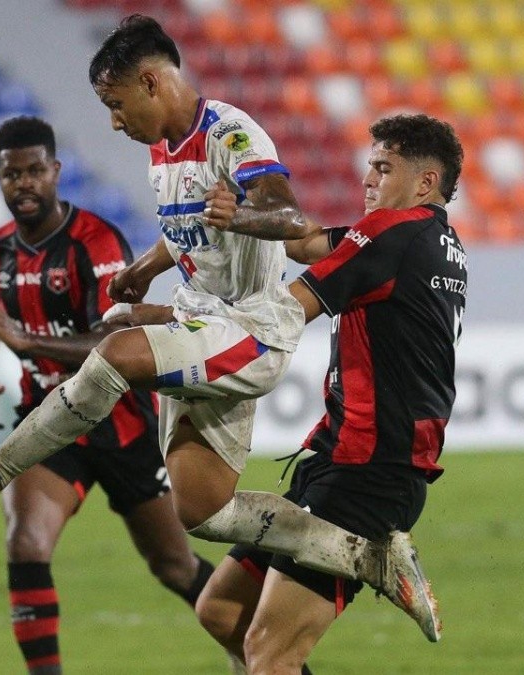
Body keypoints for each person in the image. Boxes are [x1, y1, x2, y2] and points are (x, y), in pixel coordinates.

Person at [0, 13, 439, 647]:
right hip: (200, 318)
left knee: (117, 351)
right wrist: (145, 268)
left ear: (152, 82)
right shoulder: (161, 151)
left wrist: (246, 213)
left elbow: (287, 212)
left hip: (251, 332)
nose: (115, 122)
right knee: (202, 511)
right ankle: (369, 559)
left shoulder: (230, 135)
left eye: (116, 105)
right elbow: (189, 231)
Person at [193, 113, 466, 673]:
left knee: (271, 654)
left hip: (369, 471)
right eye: (369, 165)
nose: (368, 179)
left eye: (383, 168)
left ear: (426, 183)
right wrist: (241, 217)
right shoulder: (428, 241)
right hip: (341, 460)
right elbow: (311, 242)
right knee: (223, 611)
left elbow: (288, 310)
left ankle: (377, 559)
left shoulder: (394, 234)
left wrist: (182, 329)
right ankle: (378, 561)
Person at [0, 116, 220, 674]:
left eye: (35, 170)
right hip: (50, 424)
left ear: (55, 171)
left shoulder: (95, 241)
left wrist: (23, 338)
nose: (25, 183)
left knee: (173, 565)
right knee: (26, 544)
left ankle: (264, 650)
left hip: (122, 422)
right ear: (0, 179)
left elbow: (114, 338)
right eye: (13, 175)